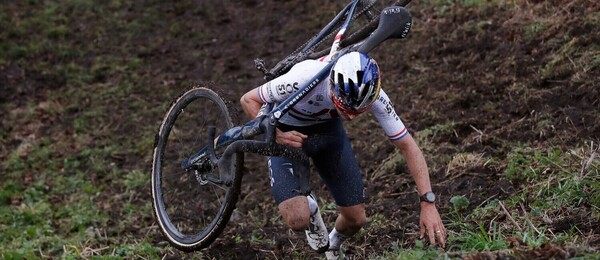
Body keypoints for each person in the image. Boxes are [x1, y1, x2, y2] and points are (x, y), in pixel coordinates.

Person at [240, 51, 446, 259]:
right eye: (344, 108)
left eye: (358, 111)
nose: (350, 115)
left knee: (356, 219)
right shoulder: (303, 78)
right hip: (287, 132)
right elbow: (248, 99)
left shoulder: (373, 94)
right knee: (297, 219)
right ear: (332, 86)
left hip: (328, 133)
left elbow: (408, 146)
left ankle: (332, 247)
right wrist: (276, 135)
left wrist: (428, 203)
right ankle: (308, 205)